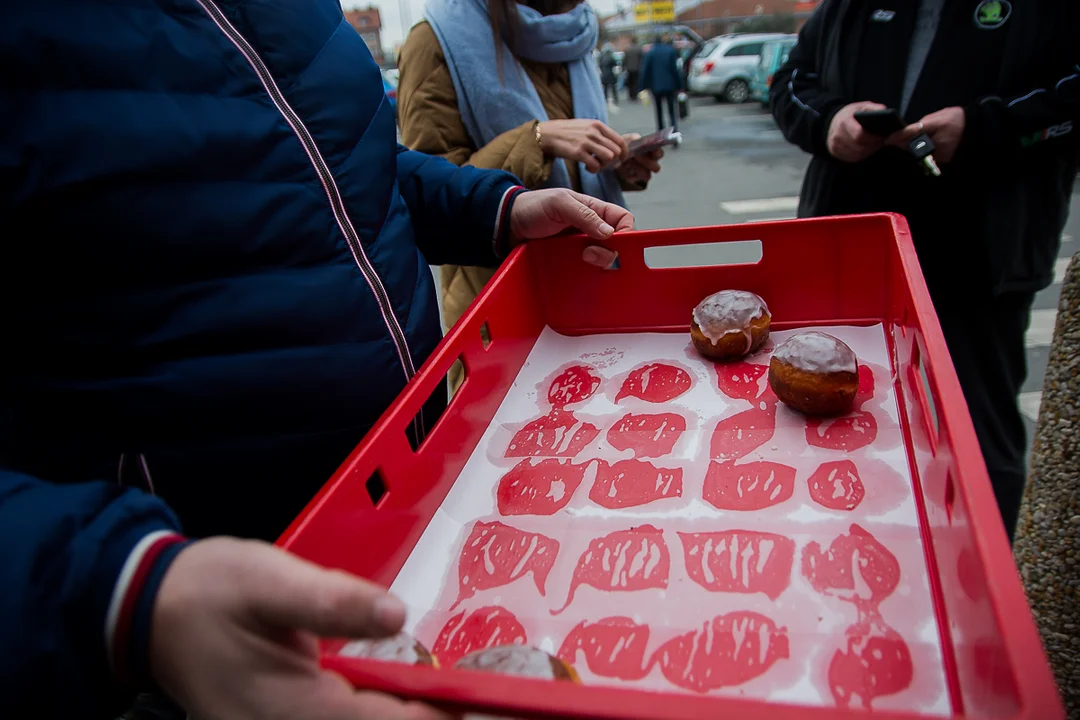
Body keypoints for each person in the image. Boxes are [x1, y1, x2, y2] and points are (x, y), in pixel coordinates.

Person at [0, 1, 634, 717]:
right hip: (215, 596)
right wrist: (122, 591)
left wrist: (492, 208)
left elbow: (346, 166)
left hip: (430, 482)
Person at [770, 0, 1079, 540]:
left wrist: (986, 126)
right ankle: (837, 548)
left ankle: (981, 587)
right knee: (827, 425)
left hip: (979, 260)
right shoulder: (847, 7)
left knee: (975, 437)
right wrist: (829, 122)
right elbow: (791, 82)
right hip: (849, 248)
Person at [397, 0, 662, 391]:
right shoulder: (435, 40)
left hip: (595, 279)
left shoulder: (571, 31)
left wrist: (614, 160)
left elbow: (572, 152)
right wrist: (537, 139)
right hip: (502, 303)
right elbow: (430, 189)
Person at [641, 34, 682, 133]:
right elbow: (675, 70)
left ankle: (661, 132)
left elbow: (645, 70)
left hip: (656, 86)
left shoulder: (650, 53)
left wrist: (643, 86)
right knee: (671, 110)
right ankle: (674, 131)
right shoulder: (670, 51)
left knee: (659, 111)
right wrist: (680, 85)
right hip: (669, 85)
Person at [624, 36, 644, 101]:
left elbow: (625, 59)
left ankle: (631, 95)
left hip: (629, 68)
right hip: (637, 68)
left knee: (630, 83)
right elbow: (642, 58)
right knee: (636, 82)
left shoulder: (627, 48)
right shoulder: (639, 48)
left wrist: (624, 67)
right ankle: (635, 95)